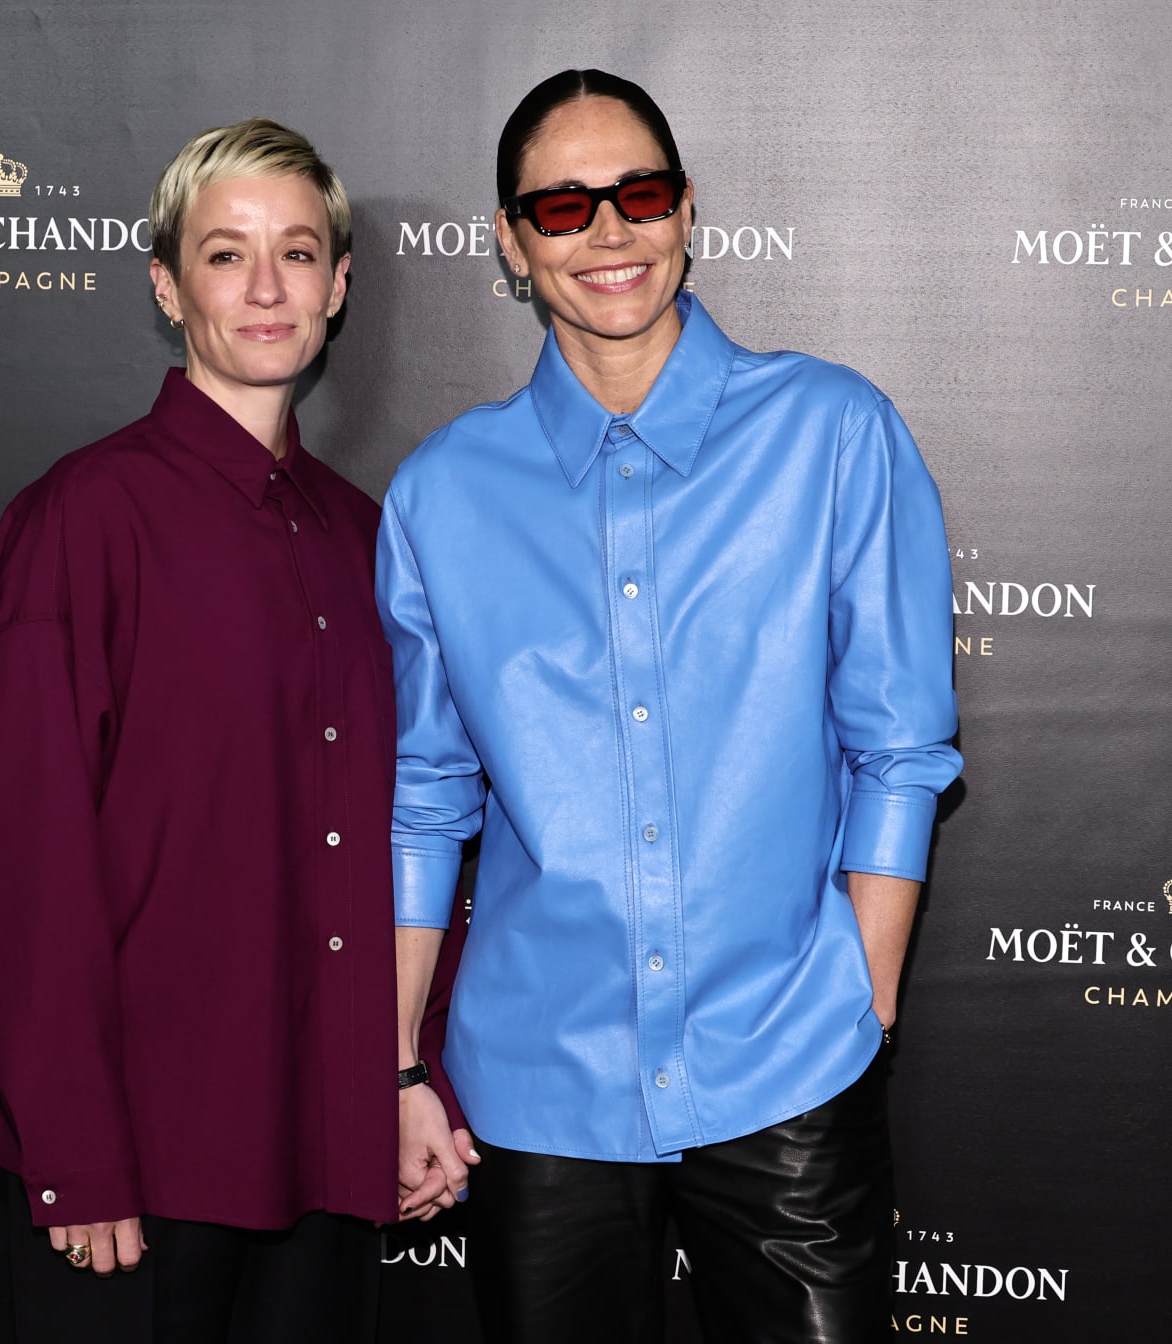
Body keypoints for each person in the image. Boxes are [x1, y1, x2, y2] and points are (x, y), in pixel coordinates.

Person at [385, 70, 962, 1344]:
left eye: (638, 192)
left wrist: (862, 998)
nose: (608, 231)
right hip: (540, 1085)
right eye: (562, 205)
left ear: (688, 210)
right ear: (511, 239)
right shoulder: (440, 497)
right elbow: (426, 800)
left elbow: (902, 749)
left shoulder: (833, 434)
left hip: (790, 1061)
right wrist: (401, 1062)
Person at [0, 118, 396, 1342]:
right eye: (225, 254)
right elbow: (34, 862)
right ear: (167, 285)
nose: (267, 288)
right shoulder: (81, 519)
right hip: (140, 1172)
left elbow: (406, 836)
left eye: (299, 252)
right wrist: (76, 1154)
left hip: (325, 1148)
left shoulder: (366, 535)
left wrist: (408, 1081)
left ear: (339, 284)